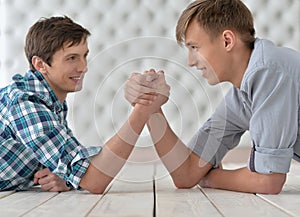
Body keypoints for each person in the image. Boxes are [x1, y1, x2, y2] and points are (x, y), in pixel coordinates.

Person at [125, 0, 300, 194]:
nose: (191, 62)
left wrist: (210, 178)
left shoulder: (269, 71)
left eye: (194, 47)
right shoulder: (242, 94)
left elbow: (268, 182)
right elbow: (186, 173)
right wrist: (151, 105)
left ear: (227, 41)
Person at [0, 16, 169, 193]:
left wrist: (68, 177)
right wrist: (143, 107)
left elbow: (76, 164)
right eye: (72, 58)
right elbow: (94, 178)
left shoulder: (51, 101)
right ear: (41, 64)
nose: (83, 67)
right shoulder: (26, 104)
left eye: (84, 56)